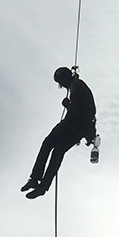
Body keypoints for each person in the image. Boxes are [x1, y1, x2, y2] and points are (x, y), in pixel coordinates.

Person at [21, 67, 97, 199]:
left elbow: (77, 107)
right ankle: (42, 186)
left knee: (48, 144)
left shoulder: (76, 85)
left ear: (64, 79)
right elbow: (84, 107)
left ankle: (35, 179)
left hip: (73, 124)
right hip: (80, 128)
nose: (61, 86)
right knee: (57, 152)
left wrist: (68, 105)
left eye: (60, 82)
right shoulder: (78, 86)